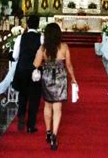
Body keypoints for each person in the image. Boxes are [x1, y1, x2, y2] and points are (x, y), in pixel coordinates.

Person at [33, 22, 77, 151]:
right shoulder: (64, 47)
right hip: (60, 78)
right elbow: (68, 65)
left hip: (47, 76)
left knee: (48, 105)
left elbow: (35, 64)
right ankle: (54, 135)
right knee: (58, 108)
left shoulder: (43, 48)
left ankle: (47, 131)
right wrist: (73, 79)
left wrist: (46, 65)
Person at [12, 15, 42, 133]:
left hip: (22, 68)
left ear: (27, 25)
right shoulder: (41, 38)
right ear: (38, 25)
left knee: (23, 94)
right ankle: (30, 125)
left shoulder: (21, 37)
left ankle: (21, 117)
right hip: (35, 70)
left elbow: (15, 56)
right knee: (34, 96)